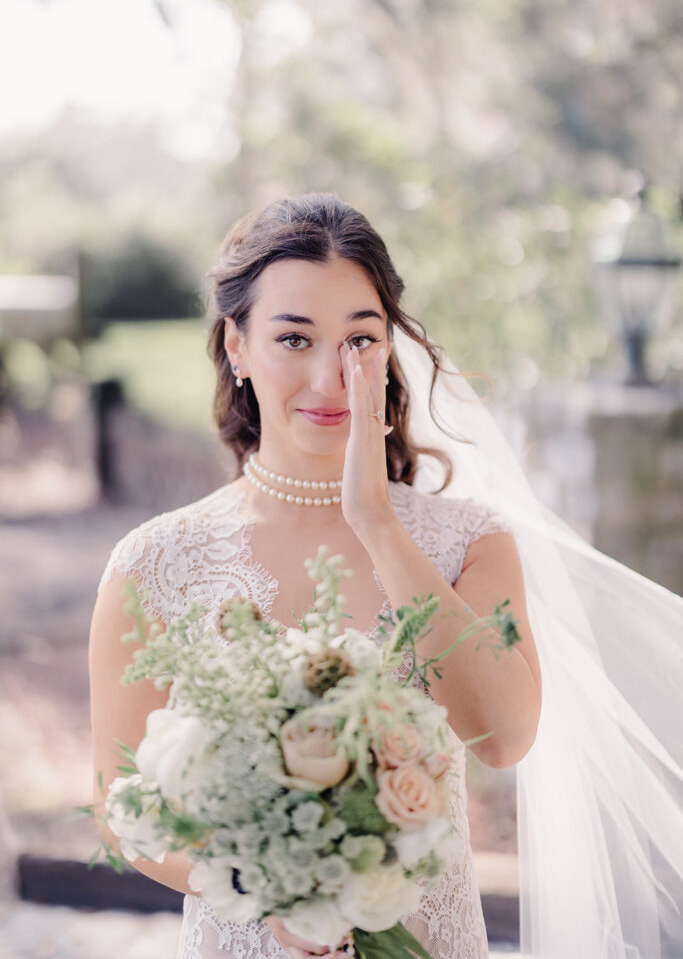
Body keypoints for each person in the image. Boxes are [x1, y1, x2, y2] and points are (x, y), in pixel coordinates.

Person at [89, 192, 682, 959]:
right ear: (236, 346)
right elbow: (121, 810)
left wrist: (375, 520)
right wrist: (272, 890)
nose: (330, 378)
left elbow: (503, 737)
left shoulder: (469, 542)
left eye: (359, 340)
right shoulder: (154, 563)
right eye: (293, 338)